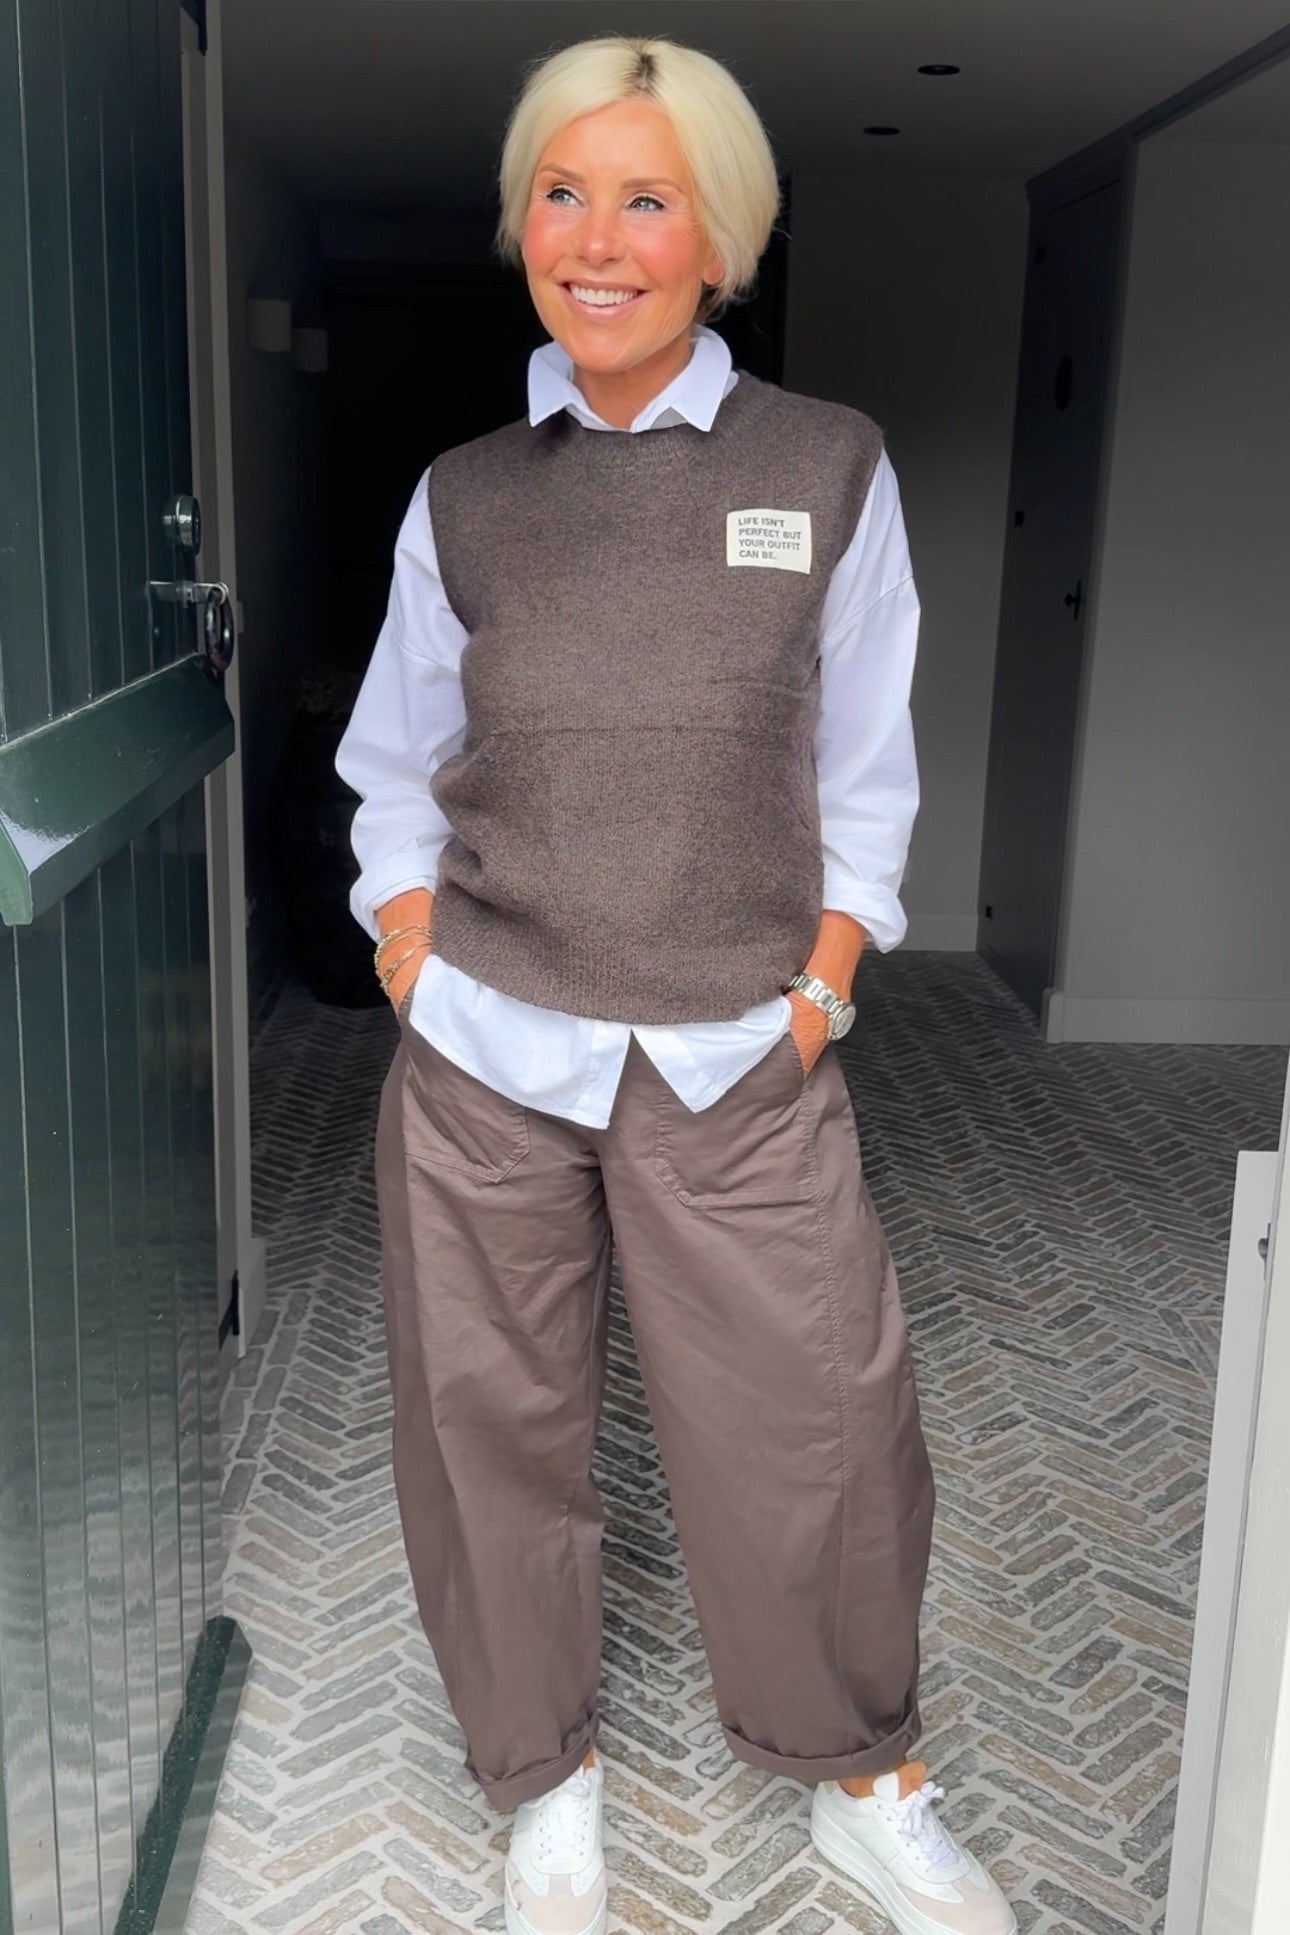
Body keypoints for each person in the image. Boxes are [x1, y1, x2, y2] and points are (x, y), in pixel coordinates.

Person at [336, 32, 1015, 1935]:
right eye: (562, 194)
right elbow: (395, 762)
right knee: (485, 1429)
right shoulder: (464, 494)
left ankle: (862, 1778)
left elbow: (862, 770)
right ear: (520, 226)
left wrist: (822, 986)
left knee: (818, 1422)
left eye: (648, 200)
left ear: (720, 240)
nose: (598, 238)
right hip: (486, 1040)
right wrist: (407, 943)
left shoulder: (826, 465)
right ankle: (538, 1780)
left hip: (737, 1047)